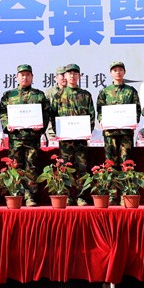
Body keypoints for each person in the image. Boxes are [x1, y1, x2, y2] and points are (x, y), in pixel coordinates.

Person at [0, 64, 50, 206]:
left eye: (28, 75)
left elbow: (46, 113)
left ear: (32, 77)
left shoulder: (39, 95)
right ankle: (16, 194)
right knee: (15, 167)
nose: (25, 77)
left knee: (32, 168)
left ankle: (30, 196)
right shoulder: (9, 95)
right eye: (22, 75)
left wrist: (41, 126)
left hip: (32, 138)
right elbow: (2, 112)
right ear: (17, 77)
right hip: (15, 138)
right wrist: (7, 125)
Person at [50, 63, 95, 205]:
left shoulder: (85, 95)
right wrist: (59, 132)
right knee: (65, 167)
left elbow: (91, 116)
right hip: (65, 140)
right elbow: (53, 116)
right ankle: (67, 195)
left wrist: (86, 131)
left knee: (82, 168)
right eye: (69, 73)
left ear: (79, 76)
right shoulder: (58, 95)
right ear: (65, 76)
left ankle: (81, 196)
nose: (72, 76)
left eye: (75, 73)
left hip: (81, 139)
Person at [96, 61, 140, 203]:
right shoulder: (105, 92)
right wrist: (101, 120)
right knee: (110, 164)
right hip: (110, 134)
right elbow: (100, 110)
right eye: (115, 70)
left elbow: (137, 109)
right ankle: (112, 194)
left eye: (120, 70)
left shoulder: (131, 91)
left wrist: (133, 120)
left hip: (126, 133)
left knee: (126, 163)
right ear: (111, 73)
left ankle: (126, 194)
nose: (118, 72)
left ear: (124, 72)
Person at [44, 66, 66, 142]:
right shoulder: (49, 93)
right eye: (62, 75)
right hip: (53, 133)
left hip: (71, 132)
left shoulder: (75, 92)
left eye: (66, 74)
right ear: (56, 77)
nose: (64, 77)